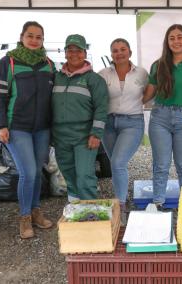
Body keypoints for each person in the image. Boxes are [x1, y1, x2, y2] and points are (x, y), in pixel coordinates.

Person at [0, 21, 54, 239]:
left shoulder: (48, 63)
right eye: (30, 36)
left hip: (42, 128)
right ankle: (25, 217)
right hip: (17, 127)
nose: (34, 40)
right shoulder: (8, 62)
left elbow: (52, 98)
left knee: (37, 171)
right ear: (22, 37)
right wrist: (1, 125)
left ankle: (36, 211)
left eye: (39, 37)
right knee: (28, 172)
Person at [143, 24, 182, 209]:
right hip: (160, 118)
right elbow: (149, 94)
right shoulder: (158, 65)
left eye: (180, 37)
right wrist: (129, 98)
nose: (176, 41)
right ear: (167, 41)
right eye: (172, 38)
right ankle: (158, 202)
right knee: (161, 165)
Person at [52, 34, 108, 203]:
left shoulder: (94, 79)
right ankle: (76, 209)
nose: (74, 54)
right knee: (68, 174)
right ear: (65, 52)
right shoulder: (56, 77)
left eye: (78, 50)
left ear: (85, 53)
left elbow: (101, 108)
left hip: (84, 136)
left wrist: (96, 134)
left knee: (84, 175)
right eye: (70, 50)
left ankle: (90, 213)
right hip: (61, 136)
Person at [99, 38, 148, 223]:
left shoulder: (141, 73)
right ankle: (120, 198)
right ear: (111, 54)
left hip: (132, 122)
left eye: (122, 49)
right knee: (115, 164)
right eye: (115, 50)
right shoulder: (103, 73)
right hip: (108, 123)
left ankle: (121, 205)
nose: (119, 53)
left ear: (130, 52)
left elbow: (149, 93)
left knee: (118, 162)